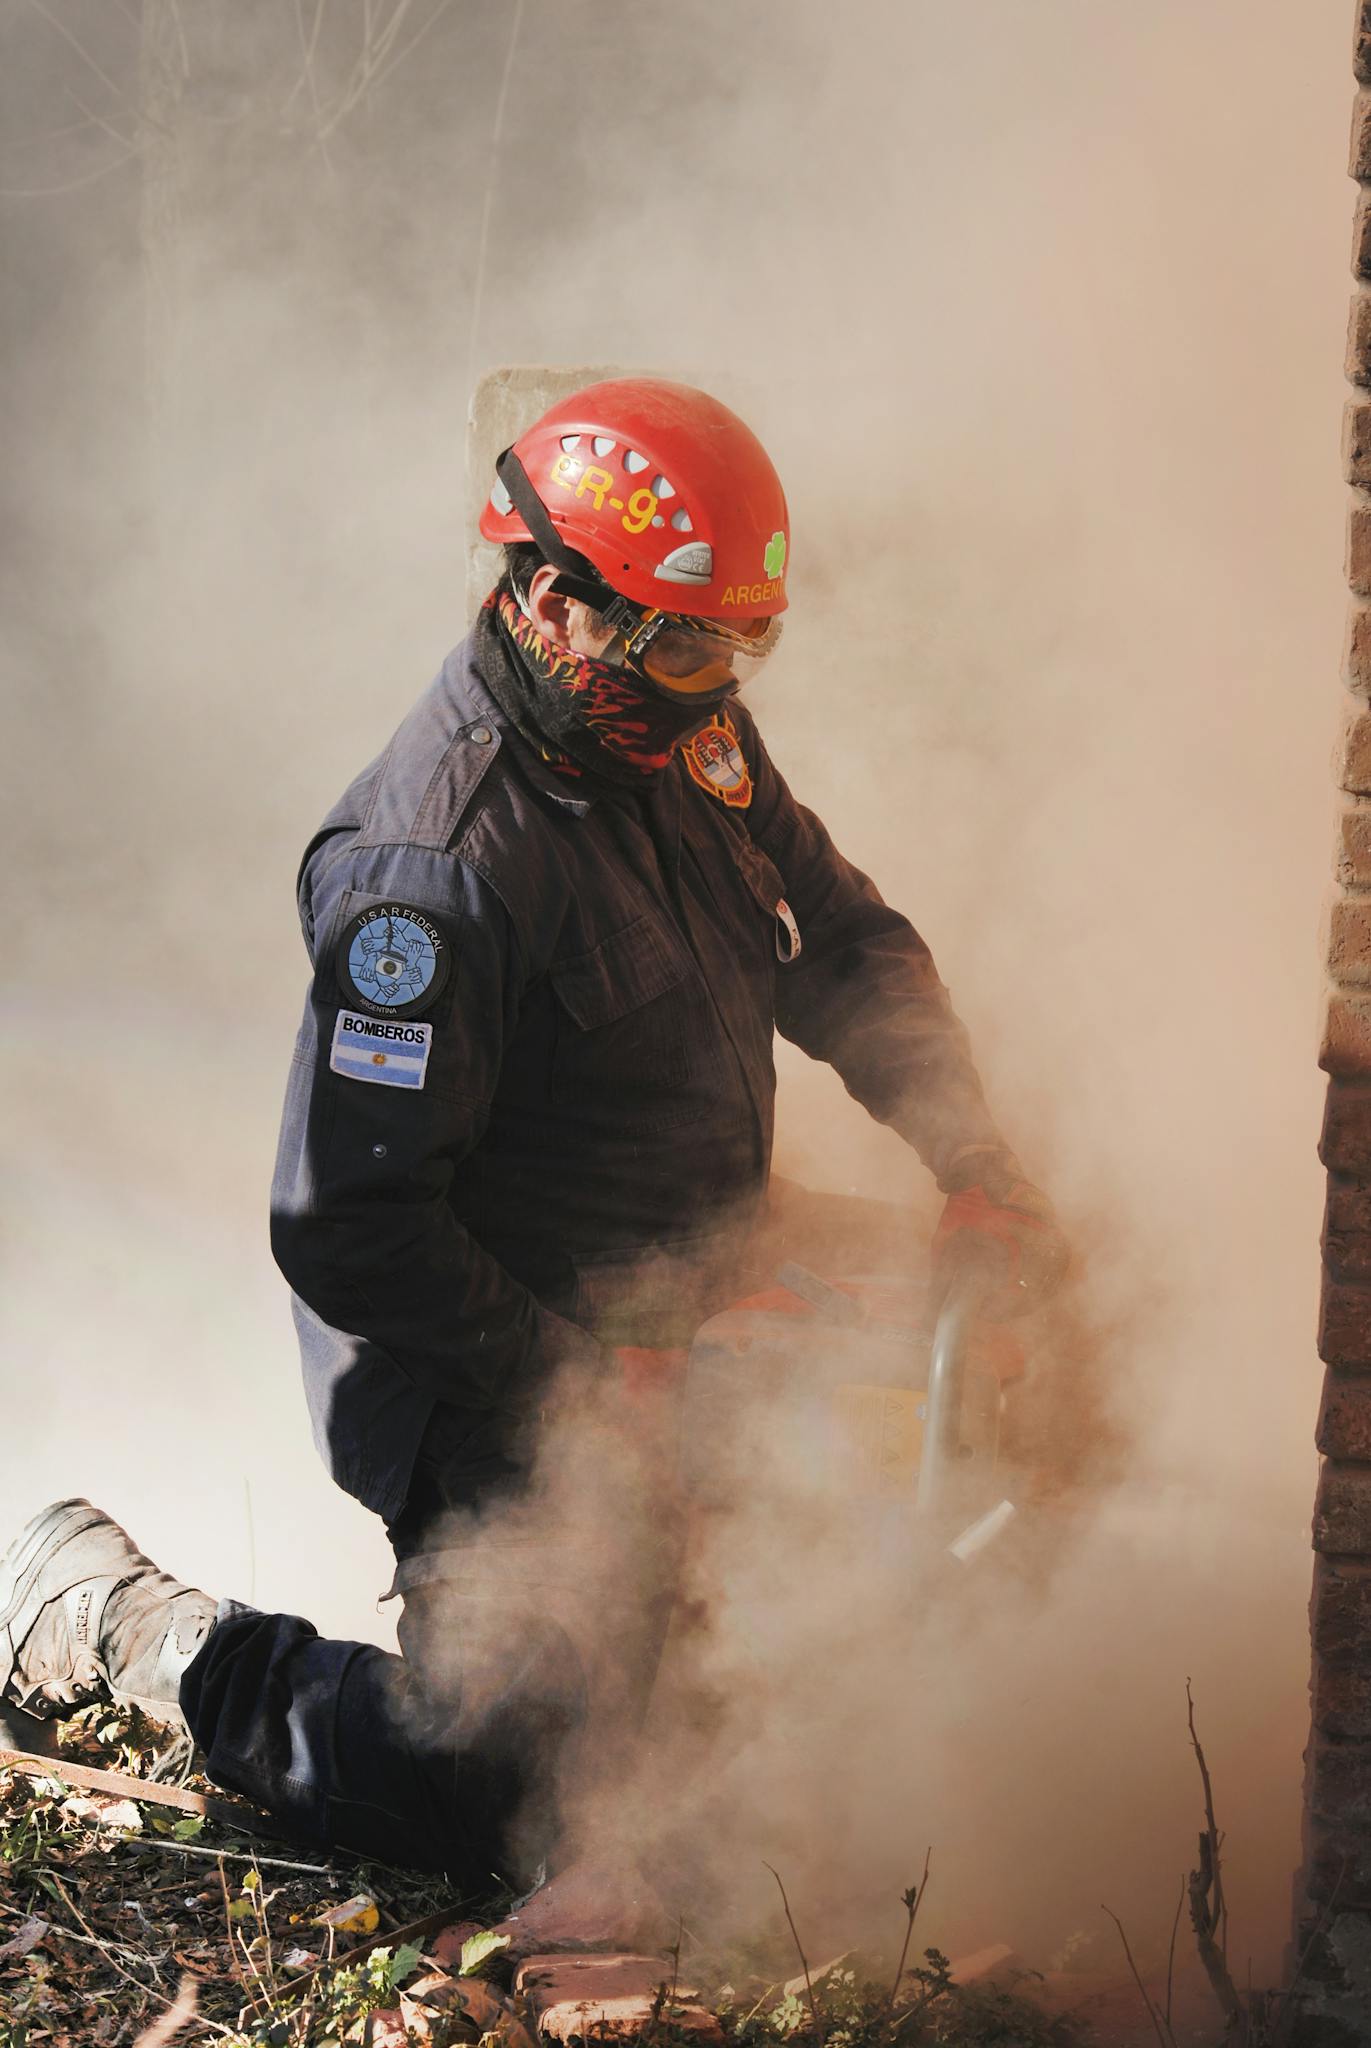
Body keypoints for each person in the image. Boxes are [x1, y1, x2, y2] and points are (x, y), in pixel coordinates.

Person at [0, 378, 1067, 1926]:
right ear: (558, 601)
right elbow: (349, 1227)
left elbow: (842, 943)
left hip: (700, 1261)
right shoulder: (431, 874)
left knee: (1062, 1329)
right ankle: (127, 1625)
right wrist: (587, 1380)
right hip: (497, 1364)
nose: (718, 690)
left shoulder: (678, 742)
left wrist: (979, 1168)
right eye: (686, 646)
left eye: (736, 649)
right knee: (533, 1792)